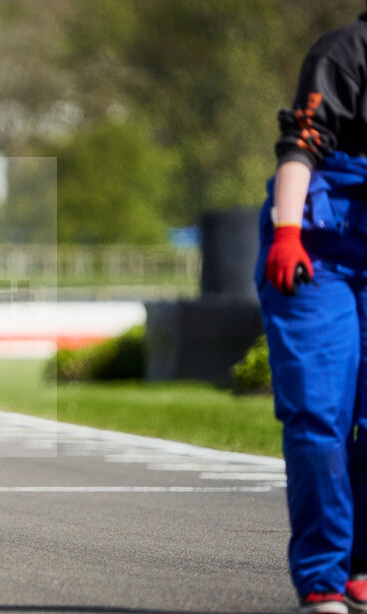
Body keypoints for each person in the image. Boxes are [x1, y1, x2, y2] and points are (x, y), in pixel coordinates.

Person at [256, 12, 367, 614]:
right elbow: (301, 142)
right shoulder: (347, 51)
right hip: (317, 245)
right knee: (321, 413)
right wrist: (288, 231)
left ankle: (361, 568)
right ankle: (324, 579)